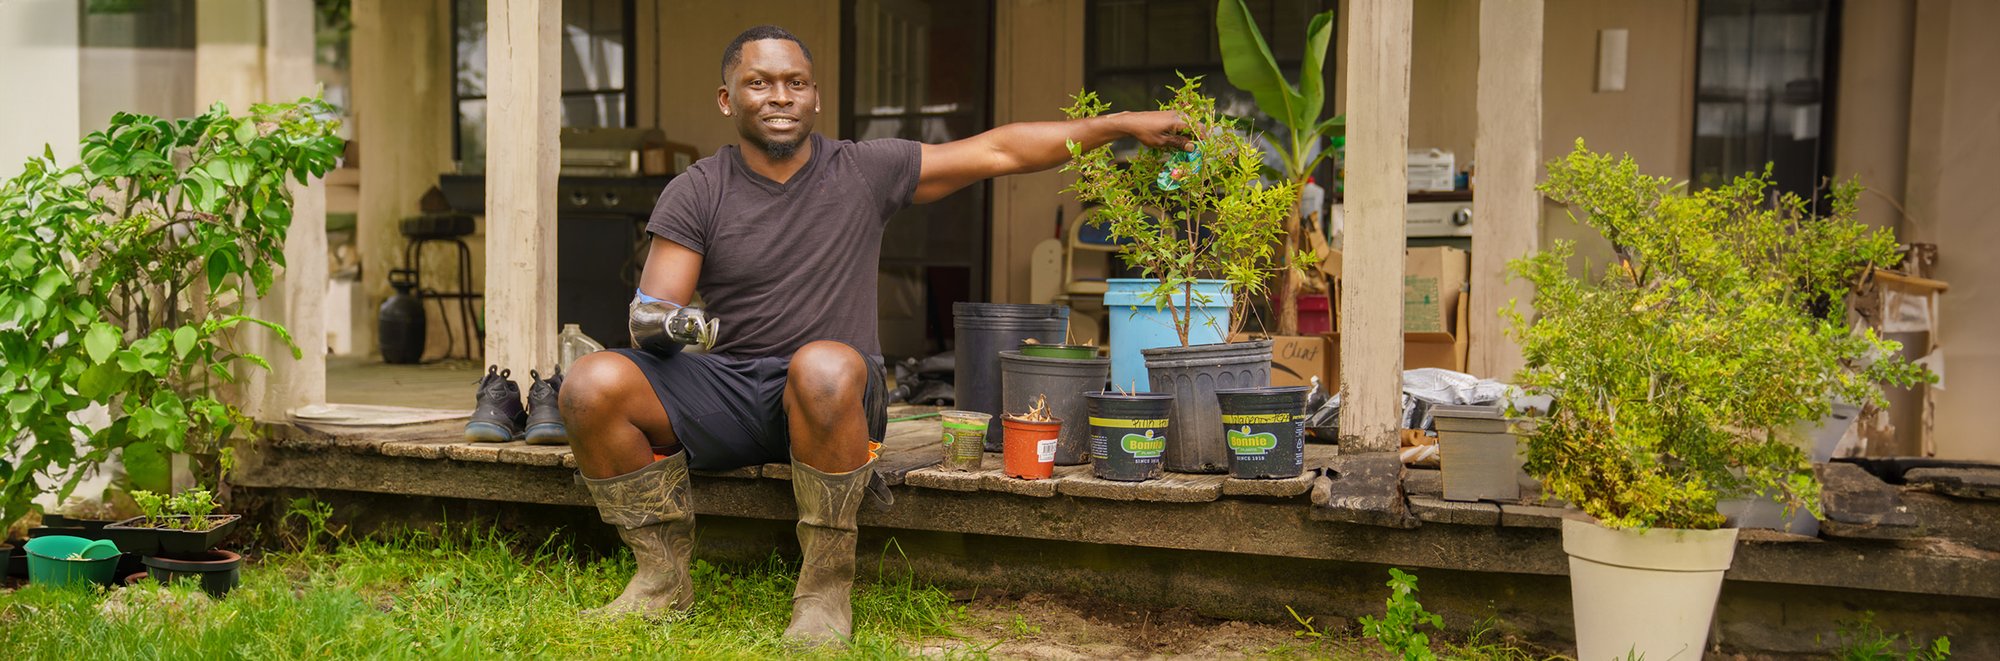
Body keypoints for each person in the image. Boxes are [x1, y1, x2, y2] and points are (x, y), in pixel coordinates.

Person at [558, 24, 1189, 646]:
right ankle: (661, 580)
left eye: (795, 82)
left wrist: (1121, 125)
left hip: (839, 395)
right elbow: (649, 319)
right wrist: (686, 326)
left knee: (822, 365)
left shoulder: (863, 170)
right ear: (728, 100)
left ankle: (825, 592)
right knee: (592, 383)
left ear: (815, 98)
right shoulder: (697, 190)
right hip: (736, 387)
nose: (780, 96)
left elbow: (1000, 150)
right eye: (759, 83)